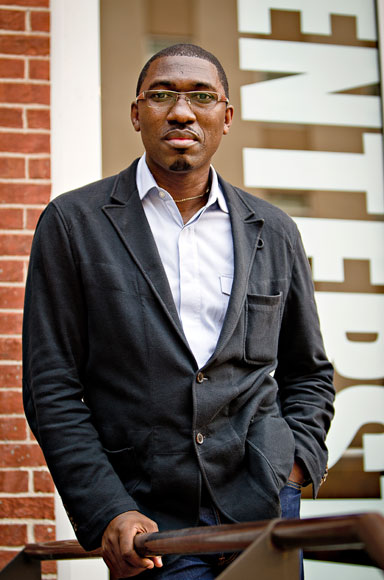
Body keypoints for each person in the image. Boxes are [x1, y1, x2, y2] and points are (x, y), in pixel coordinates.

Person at [22, 44, 334, 579]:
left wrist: (294, 463)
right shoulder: (73, 224)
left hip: (262, 512)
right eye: (162, 95)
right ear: (136, 112)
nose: (182, 111)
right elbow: (51, 387)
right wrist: (107, 507)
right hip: (149, 522)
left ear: (226, 117)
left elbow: (308, 372)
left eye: (201, 96)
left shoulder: (274, 230)